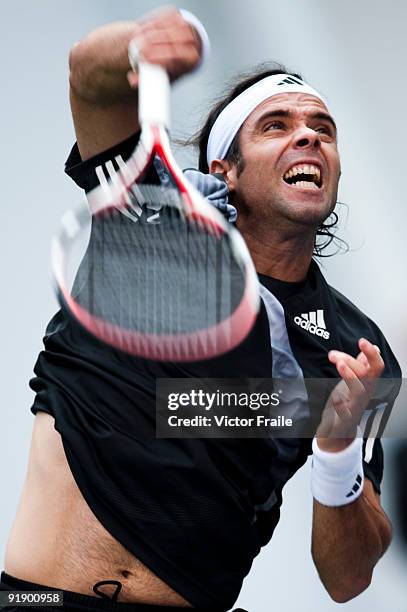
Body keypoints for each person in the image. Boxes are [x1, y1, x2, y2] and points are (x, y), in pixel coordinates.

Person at [1, 6, 401, 612]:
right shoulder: (145, 214)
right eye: (276, 125)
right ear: (225, 172)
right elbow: (89, 71)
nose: (310, 135)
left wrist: (339, 447)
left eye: (324, 127)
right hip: (40, 601)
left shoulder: (355, 350)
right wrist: (141, 44)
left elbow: (347, 578)